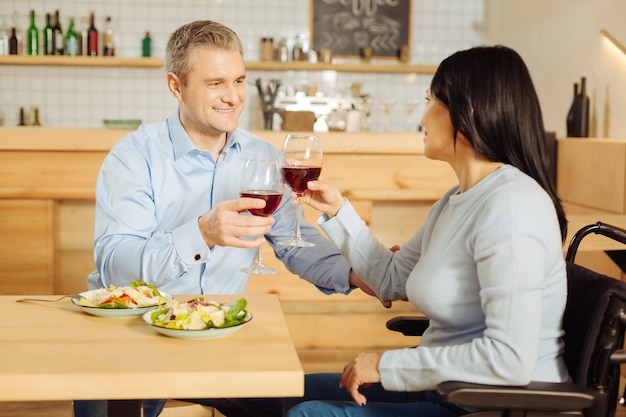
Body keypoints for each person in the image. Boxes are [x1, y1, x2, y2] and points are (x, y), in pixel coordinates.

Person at [74, 19, 378, 417]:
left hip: (216, 332)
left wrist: (356, 274)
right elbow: (115, 266)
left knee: (286, 401)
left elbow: (292, 242)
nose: (233, 97)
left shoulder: (263, 155)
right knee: (111, 404)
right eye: (215, 83)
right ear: (175, 86)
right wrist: (202, 233)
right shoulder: (134, 157)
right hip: (133, 332)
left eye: (239, 81)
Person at [283, 45, 570, 417]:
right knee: (279, 389)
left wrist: (388, 366)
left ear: (467, 113)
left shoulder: (512, 207)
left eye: (431, 100)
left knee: (309, 414)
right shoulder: (456, 200)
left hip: (495, 405)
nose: (422, 117)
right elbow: (390, 279)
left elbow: (510, 359)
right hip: (446, 389)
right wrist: (338, 211)